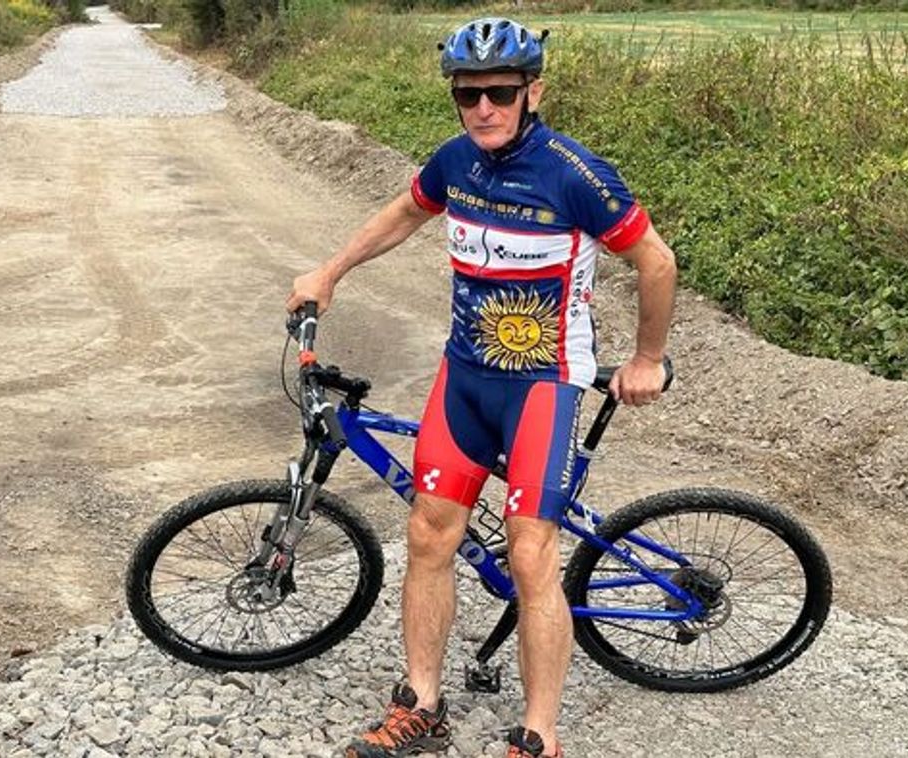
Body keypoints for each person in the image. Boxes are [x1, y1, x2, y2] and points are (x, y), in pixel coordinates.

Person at [285, 16, 678, 758]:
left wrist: (646, 358)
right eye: (468, 95)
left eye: (500, 92)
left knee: (531, 556)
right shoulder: (455, 161)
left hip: (543, 386)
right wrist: (329, 272)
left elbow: (655, 262)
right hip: (464, 377)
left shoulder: (574, 174)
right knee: (428, 534)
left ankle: (539, 735)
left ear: (534, 92)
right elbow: (407, 210)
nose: (484, 108)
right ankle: (420, 706)